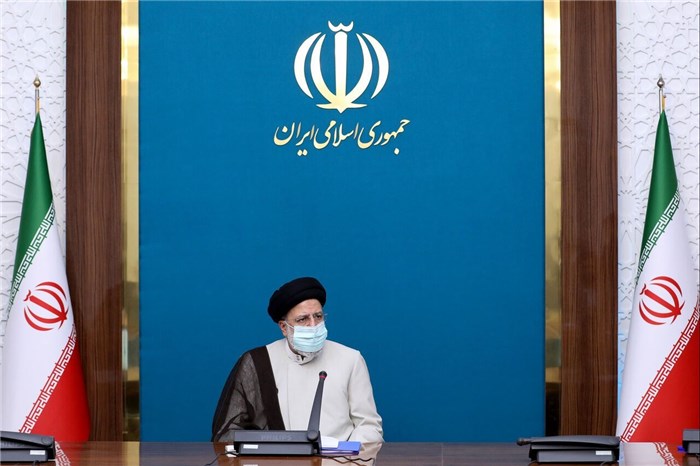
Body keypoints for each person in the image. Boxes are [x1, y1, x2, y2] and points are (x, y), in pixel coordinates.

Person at [211, 277, 383, 444]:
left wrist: (346, 454)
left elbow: (368, 426)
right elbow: (229, 432)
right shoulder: (259, 362)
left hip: (340, 458)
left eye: (318, 316)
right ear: (283, 327)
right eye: (303, 319)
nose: (313, 325)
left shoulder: (351, 359)